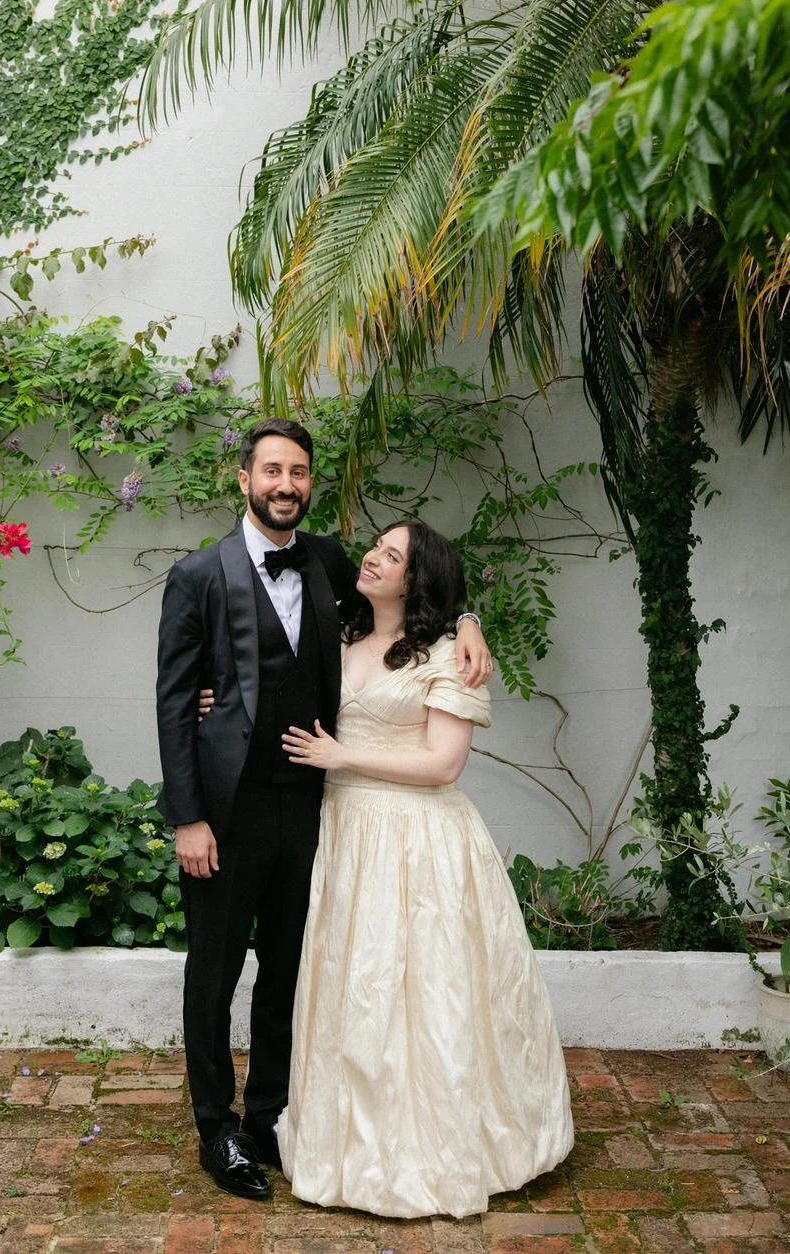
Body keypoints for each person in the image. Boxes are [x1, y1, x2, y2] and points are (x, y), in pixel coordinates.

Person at [154, 419, 494, 1201]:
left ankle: (269, 1113)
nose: (286, 484)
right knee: (214, 972)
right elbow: (175, 706)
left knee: (287, 972)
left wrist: (471, 620)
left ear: (310, 483)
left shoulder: (331, 560)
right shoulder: (197, 577)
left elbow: (419, 599)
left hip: (313, 808)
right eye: (272, 469)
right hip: (227, 813)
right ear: (244, 479)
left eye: (299, 472)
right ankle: (217, 1129)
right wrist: (188, 817)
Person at [276, 519, 573, 1219]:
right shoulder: (343, 630)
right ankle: (349, 1147)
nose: (373, 558)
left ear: (417, 578)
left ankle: (435, 1152)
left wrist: (343, 759)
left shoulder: (447, 654)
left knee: (426, 990)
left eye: (391, 555)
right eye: (376, 547)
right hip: (346, 833)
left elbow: (443, 765)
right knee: (355, 986)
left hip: (417, 841)